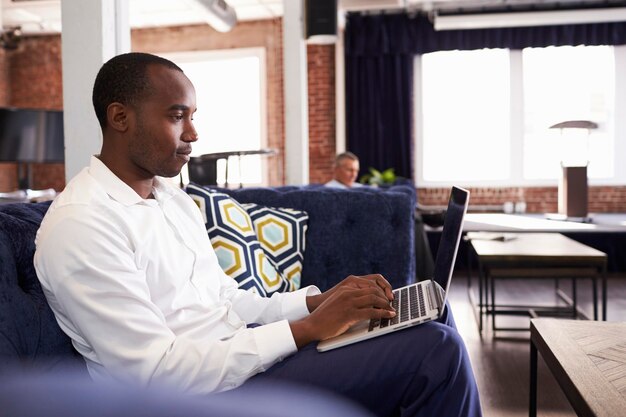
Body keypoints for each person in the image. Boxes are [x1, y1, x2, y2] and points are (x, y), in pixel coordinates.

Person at [34, 52, 482, 416]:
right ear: (119, 117)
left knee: (432, 313)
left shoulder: (170, 198)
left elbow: (226, 300)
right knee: (435, 353)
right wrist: (306, 330)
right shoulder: (83, 224)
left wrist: (315, 302)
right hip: (194, 398)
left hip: (240, 363)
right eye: (177, 116)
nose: (193, 133)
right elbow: (156, 374)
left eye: (192, 116)